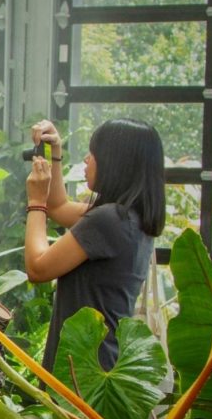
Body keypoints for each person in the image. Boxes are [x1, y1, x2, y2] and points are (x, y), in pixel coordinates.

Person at [24, 118, 166, 375]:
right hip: (103, 362)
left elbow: (37, 268)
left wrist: (35, 202)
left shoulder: (108, 220)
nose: (87, 160)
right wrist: (56, 152)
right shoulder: (131, 218)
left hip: (82, 371)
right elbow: (59, 207)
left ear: (116, 164)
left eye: (94, 153)